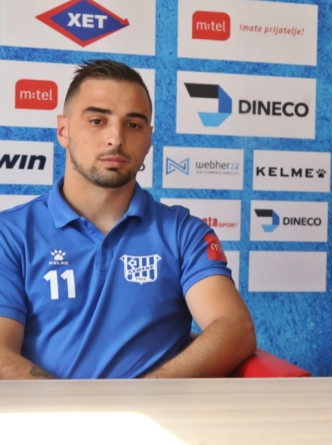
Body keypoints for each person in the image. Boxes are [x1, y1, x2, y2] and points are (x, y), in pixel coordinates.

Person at [0, 59, 256, 378]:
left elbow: (234, 327)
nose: (116, 138)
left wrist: (144, 397)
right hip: (50, 410)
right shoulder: (10, 234)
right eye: (97, 121)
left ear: (149, 138)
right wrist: (70, 405)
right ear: (63, 130)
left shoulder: (182, 232)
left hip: (155, 409)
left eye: (133, 125)